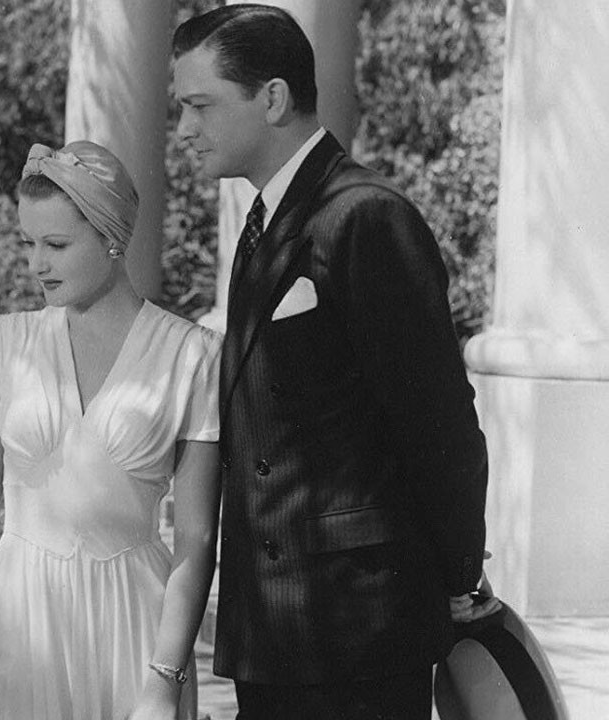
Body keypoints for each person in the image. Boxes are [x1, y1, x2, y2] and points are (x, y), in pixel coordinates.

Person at [170, 6, 500, 719]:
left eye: (199, 105)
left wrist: (459, 580)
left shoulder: (365, 218)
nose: (185, 131)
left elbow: (439, 426)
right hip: (272, 630)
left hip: (359, 630)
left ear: (273, 97)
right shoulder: (265, 222)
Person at [0, 140, 222, 720]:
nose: (37, 264)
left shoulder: (191, 355)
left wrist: (164, 680)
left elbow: (197, 540)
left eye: (57, 245)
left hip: (137, 631)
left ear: (111, 239)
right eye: (29, 244)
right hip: (18, 629)